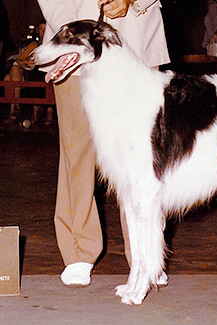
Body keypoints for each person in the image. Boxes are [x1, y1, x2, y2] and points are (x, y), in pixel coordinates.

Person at [37, 0, 170, 286]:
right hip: (73, 44)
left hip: (136, 38)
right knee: (78, 152)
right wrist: (71, 31)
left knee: (143, 158)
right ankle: (78, 252)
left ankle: (146, 256)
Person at [3, 20, 53, 125]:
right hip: (30, 72)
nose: (43, 32)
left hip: (45, 74)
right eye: (40, 29)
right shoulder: (33, 45)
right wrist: (24, 63)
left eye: (45, 29)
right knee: (12, 72)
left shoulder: (53, 45)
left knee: (9, 78)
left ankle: (46, 112)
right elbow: (20, 59)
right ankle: (14, 110)